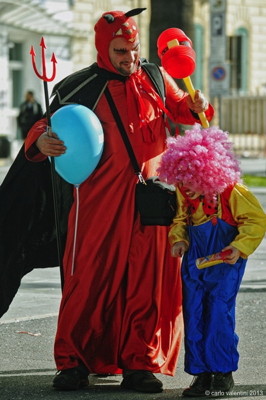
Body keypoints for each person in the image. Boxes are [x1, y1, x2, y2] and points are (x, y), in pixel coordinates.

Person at [20, 8, 213, 393]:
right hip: (96, 206)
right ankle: (74, 362)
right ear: (104, 49)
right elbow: (45, 127)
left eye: (134, 50)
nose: (130, 59)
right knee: (88, 281)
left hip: (150, 204)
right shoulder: (79, 87)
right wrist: (40, 140)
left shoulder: (156, 78)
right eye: (121, 52)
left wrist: (199, 105)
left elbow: (188, 110)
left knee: (147, 283)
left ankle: (140, 363)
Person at [158, 124, 266, 397]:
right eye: (180, 180)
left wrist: (239, 247)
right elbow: (180, 220)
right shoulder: (185, 193)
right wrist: (178, 239)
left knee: (218, 312)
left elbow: (255, 220)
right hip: (195, 261)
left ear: (206, 172)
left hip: (226, 260)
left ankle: (223, 373)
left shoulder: (231, 192)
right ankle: (202, 373)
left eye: (190, 179)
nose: (184, 187)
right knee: (194, 313)